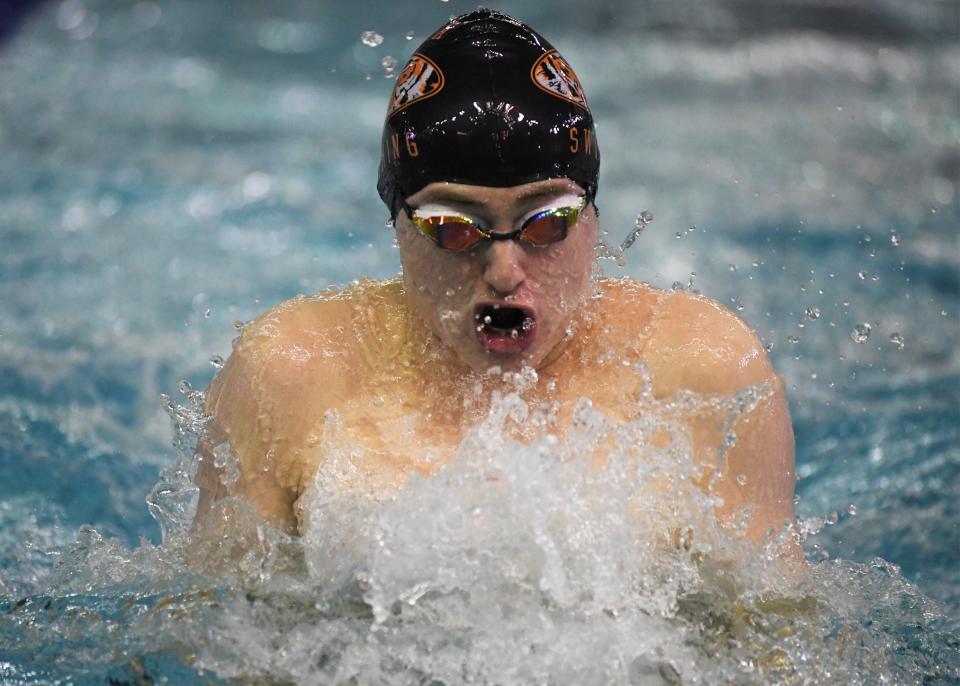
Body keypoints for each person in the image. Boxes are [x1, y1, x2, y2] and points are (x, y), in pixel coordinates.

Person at [194, 9, 796, 547]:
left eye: (546, 225)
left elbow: (778, 644)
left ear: (592, 216)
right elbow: (206, 637)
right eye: (454, 229)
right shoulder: (289, 376)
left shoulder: (706, 375)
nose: (505, 273)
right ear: (397, 225)